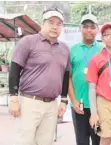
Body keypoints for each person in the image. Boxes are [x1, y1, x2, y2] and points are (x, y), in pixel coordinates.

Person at [8, 8, 69, 145]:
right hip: (29, 102)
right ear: (43, 23)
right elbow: (14, 70)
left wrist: (64, 100)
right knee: (24, 141)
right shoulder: (28, 42)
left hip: (51, 105)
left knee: (46, 142)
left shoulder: (64, 49)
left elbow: (65, 75)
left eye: (59, 24)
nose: (55, 26)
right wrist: (13, 99)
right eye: (51, 22)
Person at [68, 14, 103, 145]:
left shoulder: (103, 50)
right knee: (81, 141)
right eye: (86, 27)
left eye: (92, 27)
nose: (89, 30)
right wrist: (73, 100)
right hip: (79, 106)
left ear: (97, 30)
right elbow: (68, 78)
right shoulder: (72, 50)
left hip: (98, 106)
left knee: (98, 140)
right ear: (80, 28)